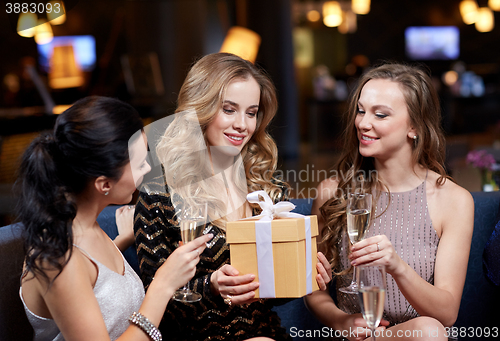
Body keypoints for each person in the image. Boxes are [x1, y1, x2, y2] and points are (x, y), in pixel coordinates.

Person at [134, 52, 332, 341]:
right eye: (229, 110)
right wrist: (211, 285)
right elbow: (154, 300)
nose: (243, 124)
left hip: (264, 334)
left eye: (251, 113)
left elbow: (272, 296)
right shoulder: (160, 194)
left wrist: (303, 275)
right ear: (199, 108)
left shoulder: (268, 186)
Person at [17, 96, 213, 341]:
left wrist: (122, 240)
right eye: (140, 163)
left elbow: (95, 284)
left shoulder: (85, 225)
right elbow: (77, 273)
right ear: (104, 184)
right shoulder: (58, 258)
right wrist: (163, 285)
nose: (147, 169)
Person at [304, 63, 474, 341]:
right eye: (361, 111)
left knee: (429, 331)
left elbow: (447, 313)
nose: (362, 123)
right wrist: (341, 321)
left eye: (380, 114)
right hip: (354, 339)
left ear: (415, 127)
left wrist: (397, 266)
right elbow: (314, 287)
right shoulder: (332, 192)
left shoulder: (453, 200)